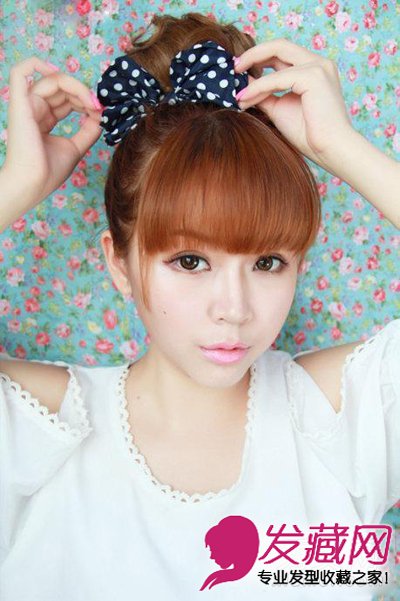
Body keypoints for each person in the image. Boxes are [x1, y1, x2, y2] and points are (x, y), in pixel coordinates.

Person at [0, 11, 399, 601]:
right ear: (119, 264)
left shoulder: (348, 421)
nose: (233, 309)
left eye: (268, 262)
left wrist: (341, 148)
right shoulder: (33, 434)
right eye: (190, 261)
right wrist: (14, 186)